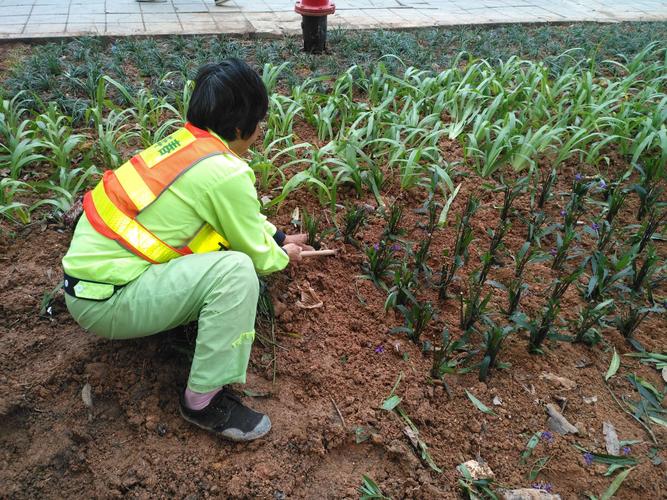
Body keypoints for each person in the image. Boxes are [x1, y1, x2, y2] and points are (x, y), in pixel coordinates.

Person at [62, 59, 309, 442]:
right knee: (237, 271)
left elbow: (229, 216)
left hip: (88, 283)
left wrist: (276, 236)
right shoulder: (226, 173)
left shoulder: (185, 145)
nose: (259, 133)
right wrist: (280, 255)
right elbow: (256, 255)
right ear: (242, 128)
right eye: (259, 123)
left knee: (229, 261)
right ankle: (203, 402)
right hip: (107, 303)